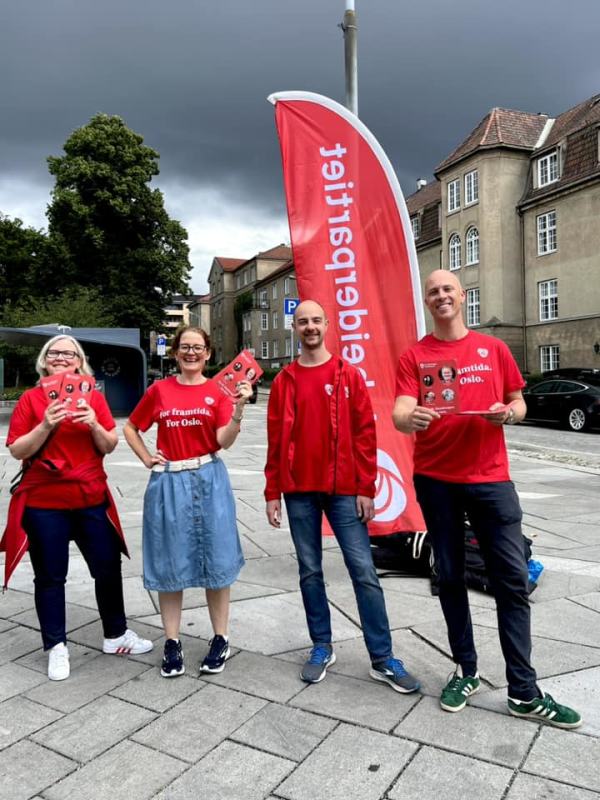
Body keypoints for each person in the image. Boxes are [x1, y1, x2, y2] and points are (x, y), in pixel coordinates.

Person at [392, 270, 581, 728]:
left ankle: (523, 690)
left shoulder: (493, 349)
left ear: (461, 297)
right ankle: (466, 670)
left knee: (511, 582)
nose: (441, 296)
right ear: (428, 301)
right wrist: (410, 417)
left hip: (491, 480)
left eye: (447, 289)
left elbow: (519, 401)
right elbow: (398, 409)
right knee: (451, 577)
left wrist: (509, 414)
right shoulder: (415, 355)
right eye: (433, 291)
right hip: (436, 480)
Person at [265, 300, 420, 693]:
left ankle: (382, 657)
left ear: (327, 325)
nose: (310, 327)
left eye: (316, 320)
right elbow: (275, 439)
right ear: (295, 328)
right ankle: (321, 646)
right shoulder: (285, 380)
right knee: (310, 571)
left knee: (364, 572)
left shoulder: (348, 375)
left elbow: (366, 433)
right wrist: (272, 491)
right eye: (303, 321)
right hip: (299, 490)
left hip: (344, 490)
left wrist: (366, 487)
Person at [1, 335, 152, 681]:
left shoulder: (94, 397)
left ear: (79, 361)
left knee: (107, 568)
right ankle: (56, 646)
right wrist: (46, 424)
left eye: (68, 353)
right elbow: (18, 450)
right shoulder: (31, 399)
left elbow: (110, 444)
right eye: (54, 352)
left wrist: (94, 424)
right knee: (51, 577)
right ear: (44, 360)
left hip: (90, 498)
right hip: (45, 503)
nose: (60, 357)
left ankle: (115, 635)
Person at [124, 326, 250, 678]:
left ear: (208, 353)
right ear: (175, 352)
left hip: (209, 479)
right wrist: (146, 457)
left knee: (218, 559)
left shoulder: (219, 391)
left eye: (198, 347)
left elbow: (223, 440)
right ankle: (172, 641)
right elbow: (132, 427)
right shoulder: (160, 390)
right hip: (170, 481)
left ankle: (220, 637)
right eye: (185, 347)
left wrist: (238, 411)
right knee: (170, 562)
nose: (191, 352)